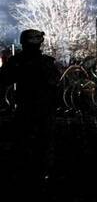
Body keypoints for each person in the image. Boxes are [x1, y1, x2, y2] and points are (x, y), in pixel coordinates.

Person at [0, 29, 60, 188]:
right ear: (40, 43)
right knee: (45, 145)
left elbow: (3, 80)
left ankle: (23, 176)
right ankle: (43, 176)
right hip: (44, 112)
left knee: (22, 143)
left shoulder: (16, 61)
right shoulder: (47, 62)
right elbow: (57, 86)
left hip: (25, 110)